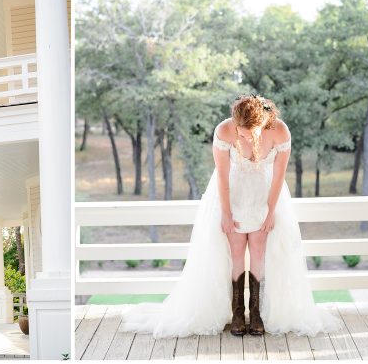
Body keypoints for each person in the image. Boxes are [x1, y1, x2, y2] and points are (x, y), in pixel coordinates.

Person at [121, 94, 340, 338]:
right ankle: (238, 312)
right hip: (232, 194)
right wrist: (225, 214)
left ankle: (255, 312)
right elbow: (222, 177)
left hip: (265, 195)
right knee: (236, 252)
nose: (245, 137)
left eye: (250, 133)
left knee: (259, 251)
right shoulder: (224, 130)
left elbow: (279, 176)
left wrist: (270, 211)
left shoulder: (280, 131)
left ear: (263, 123)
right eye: (241, 132)